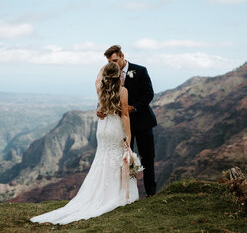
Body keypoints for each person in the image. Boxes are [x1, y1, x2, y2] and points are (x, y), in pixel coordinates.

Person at [30, 62, 138, 225]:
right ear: (119, 76)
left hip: (102, 130)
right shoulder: (123, 91)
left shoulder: (100, 89)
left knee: (102, 159)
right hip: (115, 128)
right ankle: (116, 194)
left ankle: (98, 193)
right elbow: (124, 115)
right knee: (117, 158)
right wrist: (128, 135)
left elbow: (97, 79)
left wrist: (104, 66)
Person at [99, 45, 157, 197]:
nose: (113, 64)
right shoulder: (110, 74)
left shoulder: (141, 70)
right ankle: (125, 194)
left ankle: (151, 193)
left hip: (143, 122)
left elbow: (149, 94)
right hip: (122, 126)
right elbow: (105, 97)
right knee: (124, 159)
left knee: (147, 158)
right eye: (110, 61)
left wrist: (134, 108)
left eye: (115, 60)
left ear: (122, 56)